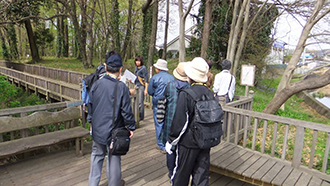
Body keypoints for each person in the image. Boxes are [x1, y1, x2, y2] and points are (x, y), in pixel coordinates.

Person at [87, 53, 136, 186]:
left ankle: (92, 184)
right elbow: (126, 111)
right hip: (113, 131)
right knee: (113, 158)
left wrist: (91, 122)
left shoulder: (96, 84)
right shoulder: (121, 87)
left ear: (106, 67)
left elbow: (90, 106)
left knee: (96, 157)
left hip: (97, 129)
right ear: (120, 69)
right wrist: (131, 127)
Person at [165, 57, 211, 186]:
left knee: (181, 175)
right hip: (205, 141)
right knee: (201, 176)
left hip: (188, 143)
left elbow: (180, 122)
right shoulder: (209, 93)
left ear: (190, 76)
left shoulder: (186, 94)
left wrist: (171, 140)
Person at [159, 62, 190, 179]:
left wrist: (160, 120)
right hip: (183, 123)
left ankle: (171, 171)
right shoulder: (189, 88)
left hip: (169, 122)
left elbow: (163, 103)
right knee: (181, 149)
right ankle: (179, 172)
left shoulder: (170, 86)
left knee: (170, 148)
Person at [147, 59, 174, 153]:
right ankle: (168, 141)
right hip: (169, 101)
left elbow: (150, 91)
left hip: (158, 102)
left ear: (158, 68)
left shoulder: (155, 78)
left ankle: (161, 144)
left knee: (159, 122)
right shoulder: (172, 78)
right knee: (168, 121)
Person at [134, 55, 149, 121]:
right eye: (136, 61)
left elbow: (146, 79)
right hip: (136, 85)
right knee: (136, 101)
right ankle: (137, 115)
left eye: (139, 61)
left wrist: (146, 89)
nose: (137, 62)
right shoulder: (136, 68)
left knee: (140, 101)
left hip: (141, 86)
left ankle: (141, 116)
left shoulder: (143, 68)